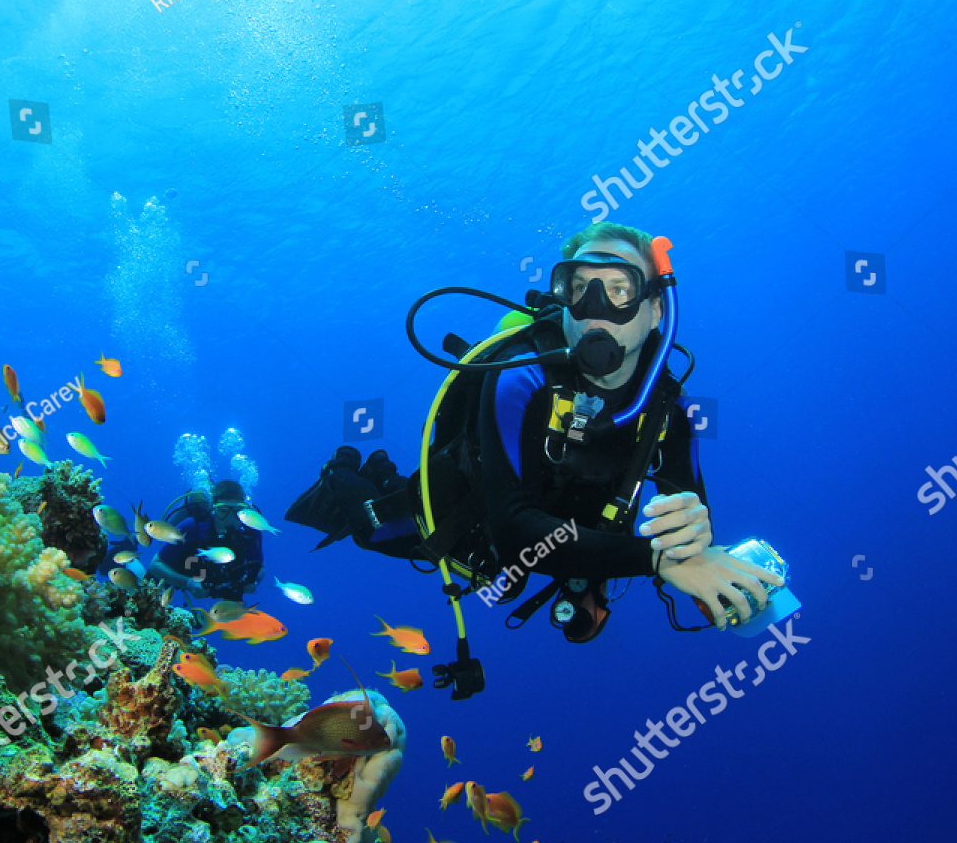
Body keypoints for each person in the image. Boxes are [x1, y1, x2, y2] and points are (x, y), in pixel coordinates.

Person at [287, 221, 781, 650]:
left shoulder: (670, 410)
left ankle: (381, 470)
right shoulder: (521, 378)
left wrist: (693, 536)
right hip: (463, 511)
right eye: (578, 286)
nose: (594, 308)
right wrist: (655, 560)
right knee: (370, 531)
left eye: (620, 289)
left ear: (656, 310)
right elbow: (515, 527)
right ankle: (345, 470)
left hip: (567, 529)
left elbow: (686, 520)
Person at [146, 480, 264, 601]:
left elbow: (260, 567)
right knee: (144, 594)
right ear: (213, 509)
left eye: (237, 512)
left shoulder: (251, 530)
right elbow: (155, 565)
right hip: (182, 572)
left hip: (215, 579)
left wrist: (254, 581)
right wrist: (188, 583)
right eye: (223, 511)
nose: (230, 518)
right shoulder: (192, 527)